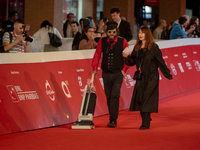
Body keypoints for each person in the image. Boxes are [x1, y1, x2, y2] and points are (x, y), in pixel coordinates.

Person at [122, 27, 173, 130]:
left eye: (143, 33)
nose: (140, 34)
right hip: (140, 77)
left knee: (146, 99)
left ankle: (145, 123)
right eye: (139, 32)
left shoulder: (154, 48)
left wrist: (168, 75)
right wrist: (126, 57)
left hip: (152, 77)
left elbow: (161, 63)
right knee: (140, 100)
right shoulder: (137, 47)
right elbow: (132, 62)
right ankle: (147, 117)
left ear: (147, 34)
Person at [92, 21, 129, 127]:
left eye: (113, 32)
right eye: (109, 32)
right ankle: (112, 117)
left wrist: (123, 70)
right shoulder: (102, 41)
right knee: (108, 96)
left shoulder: (123, 41)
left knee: (115, 95)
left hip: (118, 73)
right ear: (106, 32)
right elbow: (97, 55)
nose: (111, 34)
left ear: (116, 31)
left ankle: (113, 119)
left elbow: (128, 57)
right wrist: (95, 68)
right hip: (106, 74)